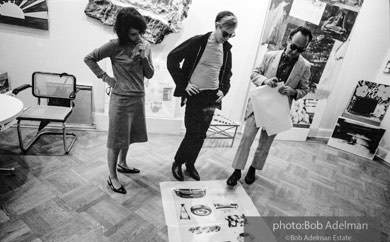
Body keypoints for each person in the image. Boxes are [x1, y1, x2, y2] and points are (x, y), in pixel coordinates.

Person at [227, 26, 312, 186]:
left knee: (265, 144)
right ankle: (237, 170)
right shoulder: (269, 56)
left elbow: (305, 89)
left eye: (300, 50)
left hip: (278, 111)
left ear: (305, 48)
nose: (294, 52)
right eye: (293, 46)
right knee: (246, 139)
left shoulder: (305, 66)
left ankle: (253, 168)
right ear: (288, 40)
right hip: (258, 106)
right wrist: (265, 81)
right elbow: (254, 74)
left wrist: (293, 91)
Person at [84, 7, 154, 194]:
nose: (137, 36)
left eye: (140, 32)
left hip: (138, 98)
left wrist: (144, 59)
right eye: (133, 33)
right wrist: (106, 78)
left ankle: (122, 164)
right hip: (121, 100)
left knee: (129, 135)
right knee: (116, 140)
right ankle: (112, 176)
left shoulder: (145, 45)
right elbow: (89, 58)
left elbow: (150, 74)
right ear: (123, 31)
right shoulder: (114, 45)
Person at [167, 11, 238, 181]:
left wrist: (224, 90)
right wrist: (184, 85)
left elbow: (227, 74)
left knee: (202, 133)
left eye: (231, 35)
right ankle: (178, 162)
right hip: (195, 95)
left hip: (211, 97)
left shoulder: (226, 50)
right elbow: (172, 58)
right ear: (217, 26)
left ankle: (190, 164)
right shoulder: (198, 42)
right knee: (192, 131)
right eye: (225, 33)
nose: (227, 38)